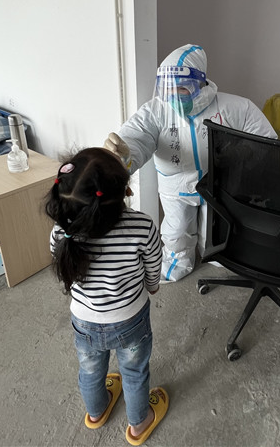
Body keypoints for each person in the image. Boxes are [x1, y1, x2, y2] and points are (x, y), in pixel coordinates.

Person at [104, 44, 277, 282]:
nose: (172, 95)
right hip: (175, 187)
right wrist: (122, 156)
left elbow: (266, 141)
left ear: (200, 83)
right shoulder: (156, 111)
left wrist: (242, 155)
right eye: (167, 88)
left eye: (181, 87)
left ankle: (214, 253)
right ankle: (177, 261)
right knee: (177, 232)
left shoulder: (235, 108)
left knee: (214, 232)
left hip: (218, 185)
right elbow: (137, 136)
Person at [46, 147, 168, 445]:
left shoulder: (62, 232)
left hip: (84, 319)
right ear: (123, 191)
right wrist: (152, 285)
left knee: (90, 369)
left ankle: (97, 411)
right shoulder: (142, 226)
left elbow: (62, 265)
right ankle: (139, 424)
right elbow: (154, 265)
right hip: (130, 319)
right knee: (134, 372)